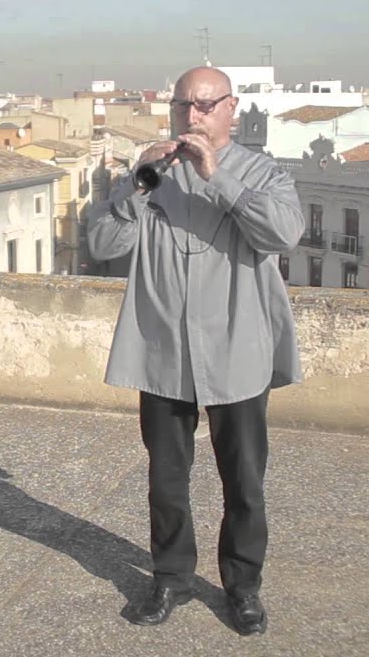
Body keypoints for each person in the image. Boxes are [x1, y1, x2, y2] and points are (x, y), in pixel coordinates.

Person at [86, 66, 304, 635]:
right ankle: (170, 577)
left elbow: (282, 234)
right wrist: (137, 187)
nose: (194, 115)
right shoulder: (149, 173)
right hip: (162, 348)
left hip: (236, 347)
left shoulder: (263, 173)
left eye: (207, 105)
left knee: (244, 478)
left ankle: (244, 587)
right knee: (166, 476)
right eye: (185, 104)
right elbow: (104, 243)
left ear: (231, 108)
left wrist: (216, 177)